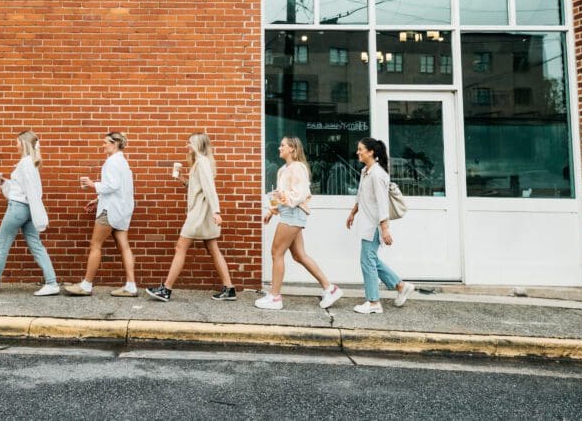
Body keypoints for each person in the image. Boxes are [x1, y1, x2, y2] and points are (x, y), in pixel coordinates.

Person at [255, 136, 343, 311]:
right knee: (299, 255)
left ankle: (275, 297)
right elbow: (283, 195)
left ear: (292, 150)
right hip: (289, 212)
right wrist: (272, 211)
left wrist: (284, 198)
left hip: (293, 213)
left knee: (276, 253)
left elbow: (300, 194)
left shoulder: (298, 168)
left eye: (283, 145)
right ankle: (330, 288)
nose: (279, 148)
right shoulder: (283, 170)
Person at [146, 133, 236, 302]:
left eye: (190, 142)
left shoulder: (201, 162)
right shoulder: (200, 162)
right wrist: (182, 179)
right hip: (204, 213)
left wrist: (217, 211)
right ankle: (229, 288)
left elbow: (210, 188)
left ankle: (166, 289)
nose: (187, 145)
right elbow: (199, 187)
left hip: (200, 213)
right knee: (213, 248)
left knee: (180, 247)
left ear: (198, 145)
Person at [0, 130, 59, 296]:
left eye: (17, 141)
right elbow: (26, 189)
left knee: (2, 245)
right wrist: (6, 183)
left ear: (24, 143)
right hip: (27, 210)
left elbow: (31, 190)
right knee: (36, 245)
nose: (15, 144)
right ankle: (52, 283)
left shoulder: (25, 163)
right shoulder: (29, 163)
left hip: (17, 209)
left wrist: (39, 213)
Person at [63, 131, 138, 297]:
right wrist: (98, 199)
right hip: (122, 210)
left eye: (106, 142)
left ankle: (86, 285)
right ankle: (131, 286)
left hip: (109, 211)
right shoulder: (123, 162)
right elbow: (120, 188)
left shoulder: (112, 162)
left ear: (115, 144)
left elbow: (112, 185)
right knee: (124, 246)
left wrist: (92, 184)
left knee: (95, 245)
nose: (103, 145)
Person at [346, 137, 415, 314]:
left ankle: (374, 302)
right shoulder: (366, 171)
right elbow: (362, 195)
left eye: (361, 149)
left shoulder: (377, 174)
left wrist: (385, 229)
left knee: (367, 262)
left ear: (371, 152)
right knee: (371, 260)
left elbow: (382, 203)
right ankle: (400, 286)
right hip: (367, 224)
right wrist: (353, 212)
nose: (358, 152)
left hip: (374, 226)